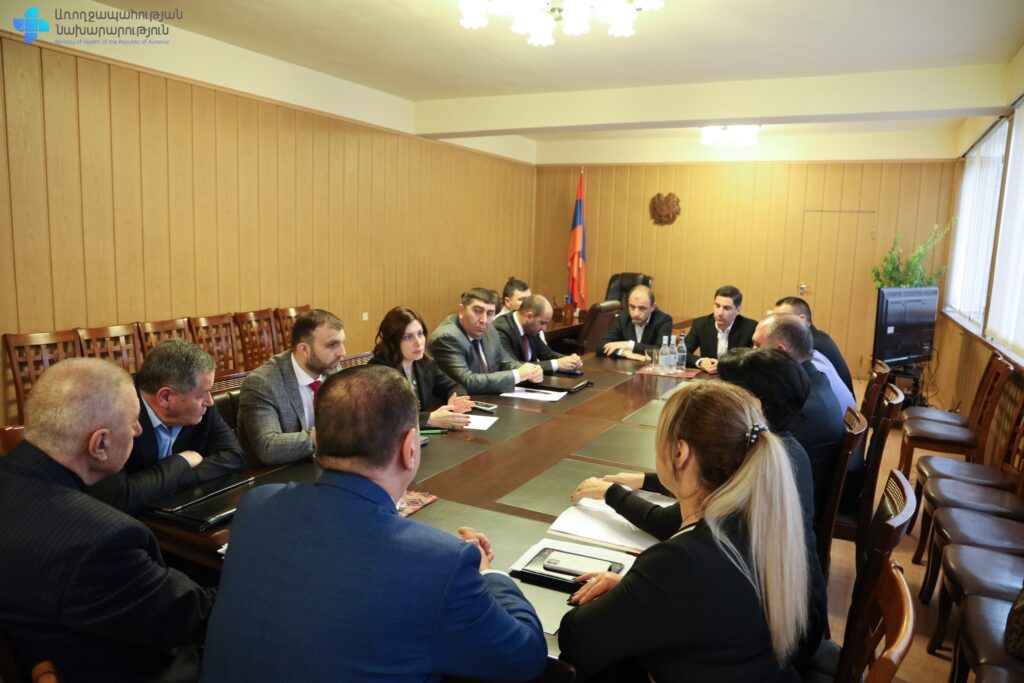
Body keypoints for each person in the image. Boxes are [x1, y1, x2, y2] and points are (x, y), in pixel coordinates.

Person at [201, 365, 547, 682]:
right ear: (410, 449)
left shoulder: (257, 506)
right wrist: (488, 575)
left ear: (316, 441)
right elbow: (525, 657)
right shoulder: (441, 564)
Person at [571, 348, 827, 666]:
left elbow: (577, 638)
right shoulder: (772, 472)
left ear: (679, 453)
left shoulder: (686, 556)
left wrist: (640, 590)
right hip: (776, 648)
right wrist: (639, 594)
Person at [0, 359, 216, 681]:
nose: (139, 430)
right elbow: (194, 617)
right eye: (133, 422)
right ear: (99, 444)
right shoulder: (101, 541)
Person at [87, 338, 246, 514]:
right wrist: (181, 462)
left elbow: (234, 457)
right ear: (165, 397)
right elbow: (120, 498)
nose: (210, 401)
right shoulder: (115, 413)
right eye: (202, 395)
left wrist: (173, 479)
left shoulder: (202, 405)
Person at [753, 314, 845, 519]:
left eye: (756, 346)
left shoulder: (802, 407)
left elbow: (767, 466)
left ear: (779, 353)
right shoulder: (815, 380)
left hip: (790, 515)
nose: (752, 352)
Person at [238, 308, 346, 466]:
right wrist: (326, 436)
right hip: (277, 472)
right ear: (304, 349)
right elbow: (268, 448)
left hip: (319, 464)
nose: (342, 352)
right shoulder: (263, 383)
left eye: (342, 343)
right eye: (332, 345)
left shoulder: (332, 370)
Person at [368, 306, 474, 429]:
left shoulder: (423, 363)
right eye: (408, 337)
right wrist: (428, 419)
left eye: (420, 333)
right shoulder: (379, 370)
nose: (418, 343)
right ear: (393, 341)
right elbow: (387, 416)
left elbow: (453, 386)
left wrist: (456, 400)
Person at [428, 287, 543, 394]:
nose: (484, 320)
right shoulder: (446, 338)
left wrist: (531, 371)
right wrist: (517, 375)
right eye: (477, 311)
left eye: (490, 313)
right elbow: (467, 382)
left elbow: (506, 362)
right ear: (462, 311)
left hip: (490, 398)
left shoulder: (490, 330)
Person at [774, 296, 854, 394]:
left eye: (782, 320)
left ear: (801, 319)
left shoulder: (812, 345)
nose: (775, 325)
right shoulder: (818, 337)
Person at [493, 294, 582, 373]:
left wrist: (569, 360)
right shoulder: (501, 329)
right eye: (542, 323)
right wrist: (556, 364)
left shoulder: (530, 327)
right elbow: (512, 366)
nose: (544, 329)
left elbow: (546, 353)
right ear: (529, 316)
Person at [684, 284, 758, 373]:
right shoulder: (700, 324)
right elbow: (682, 352)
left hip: (735, 377)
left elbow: (753, 360)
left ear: (738, 310)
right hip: (708, 377)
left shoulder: (750, 327)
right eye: (717, 306)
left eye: (726, 308)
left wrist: (724, 366)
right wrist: (700, 361)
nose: (720, 313)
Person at [597, 284, 673, 359]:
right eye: (632, 307)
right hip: (626, 365)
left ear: (653, 307)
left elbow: (661, 351)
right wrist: (623, 353)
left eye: (642, 308)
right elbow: (601, 345)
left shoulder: (663, 320)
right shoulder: (623, 317)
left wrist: (629, 345)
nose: (636, 313)